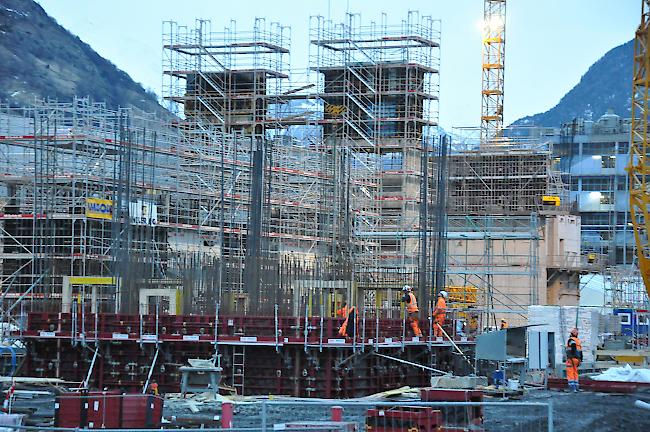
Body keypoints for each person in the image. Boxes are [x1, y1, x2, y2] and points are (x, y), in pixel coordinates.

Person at [565, 328, 583, 392]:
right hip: (577, 359)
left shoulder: (571, 340)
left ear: (571, 334)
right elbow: (580, 352)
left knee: (570, 373)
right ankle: (577, 387)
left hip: (571, 359)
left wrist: (572, 356)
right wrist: (580, 359)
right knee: (575, 373)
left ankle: (572, 388)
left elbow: (573, 348)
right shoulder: (578, 341)